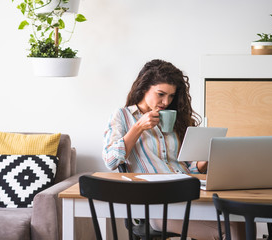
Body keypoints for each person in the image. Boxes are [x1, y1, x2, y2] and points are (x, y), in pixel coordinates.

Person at [102, 59, 245, 240]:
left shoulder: (175, 118)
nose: (166, 101)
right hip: (153, 205)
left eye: (171, 96)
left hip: (189, 197)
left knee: (242, 221)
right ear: (144, 87)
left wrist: (204, 161)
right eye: (161, 94)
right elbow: (110, 161)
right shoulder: (122, 116)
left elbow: (185, 167)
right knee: (231, 231)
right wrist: (138, 127)